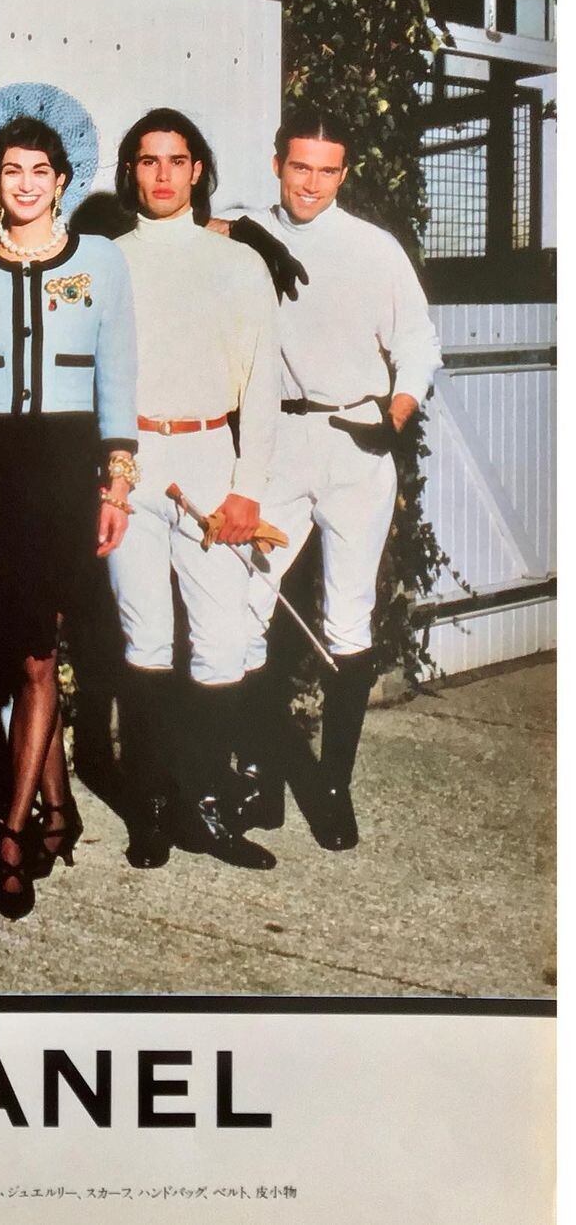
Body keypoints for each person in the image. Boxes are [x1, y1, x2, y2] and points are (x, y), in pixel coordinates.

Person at [217, 105, 443, 850]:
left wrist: (396, 414)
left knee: (347, 619)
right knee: (241, 610)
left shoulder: (374, 248)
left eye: (326, 171)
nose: (311, 184)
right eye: (299, 168)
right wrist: (245, 232)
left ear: (344, 174)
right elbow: (169, 228)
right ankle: (262, 783)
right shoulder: (246, 229)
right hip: (276, 442)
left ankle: (334, 789)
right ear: (277, 164)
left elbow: (418, 343)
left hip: (356, 443)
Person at [0, 82, 138, 918]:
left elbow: (118, 373)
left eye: (39, 172)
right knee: (12, 649)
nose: (25, 184)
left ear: (62, 181)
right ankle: (60, 808)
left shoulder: (101, 261)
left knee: (37, 653)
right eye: (10, 170)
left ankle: (12, 836)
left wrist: (117, 480)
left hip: (63, 468)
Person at [108, 108, 282, 872]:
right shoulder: (106, 261)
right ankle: (150, 809)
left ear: (198, 170)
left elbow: (264, 387)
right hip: (128, 462)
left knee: (220, 643)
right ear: (131, 171)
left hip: (211, 455)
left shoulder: (237, 263)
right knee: (144, 641)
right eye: (148, 161)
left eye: (176, 160)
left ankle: (203, 807)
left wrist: (247, 490)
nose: (163, 175)